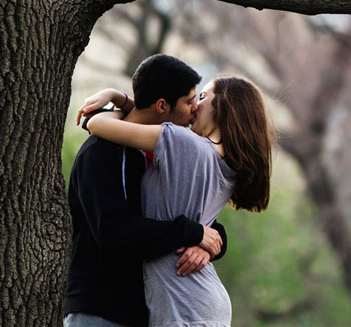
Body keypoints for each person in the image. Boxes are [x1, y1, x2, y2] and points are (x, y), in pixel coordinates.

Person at [83, 74, 274, 327]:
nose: (195, 106)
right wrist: (198, 238)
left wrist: (117, 97)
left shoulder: (181, 142)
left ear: (223, 107)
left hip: (185, 304)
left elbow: (97, 124)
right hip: (199, 301)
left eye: (203, 98)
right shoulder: (228, 167)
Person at [66, 54, 226, 327]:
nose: (194, 110)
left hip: (147, 312)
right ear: (162, 105)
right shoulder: (101, 152)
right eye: (189, 102)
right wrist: (192, 233)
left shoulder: (160, 155)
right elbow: (113, 231)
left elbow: (189, 214)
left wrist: (211, 242)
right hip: (101, 311)